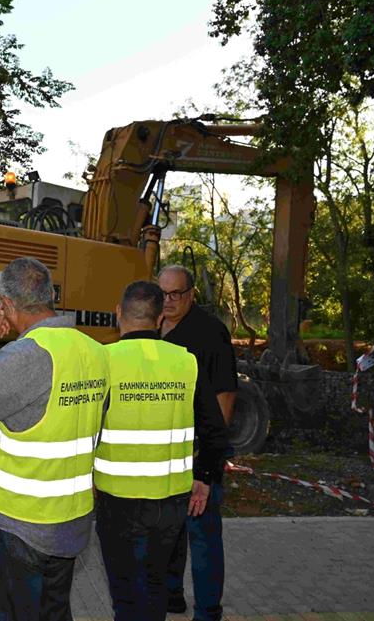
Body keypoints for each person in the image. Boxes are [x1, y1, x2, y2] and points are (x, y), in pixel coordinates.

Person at [0, 257, 110, 621]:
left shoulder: (27, 355)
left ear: (6, 304)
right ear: (51, 295)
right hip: (70, 521)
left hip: (19, 526)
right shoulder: (94, 351)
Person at [94, 280, 229, 621]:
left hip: (117, 501)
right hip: (171, 501)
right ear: (158, 320)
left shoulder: (102, 361)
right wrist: (205, 477)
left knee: (126, 596)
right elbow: (214, 429)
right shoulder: (185, 362)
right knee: (156, 590)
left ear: (118, 313)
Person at [158, 265, 237, 620]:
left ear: (191, 294)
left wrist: (207, 459)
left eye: (176, 294)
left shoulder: (210, 333)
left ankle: (208, 612)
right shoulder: (152, 329)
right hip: (163, 455)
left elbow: (224, 398)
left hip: (198, 455)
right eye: (163, 294)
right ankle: (172, 596)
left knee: (202, 536)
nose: (169, 301)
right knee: (168, 535)